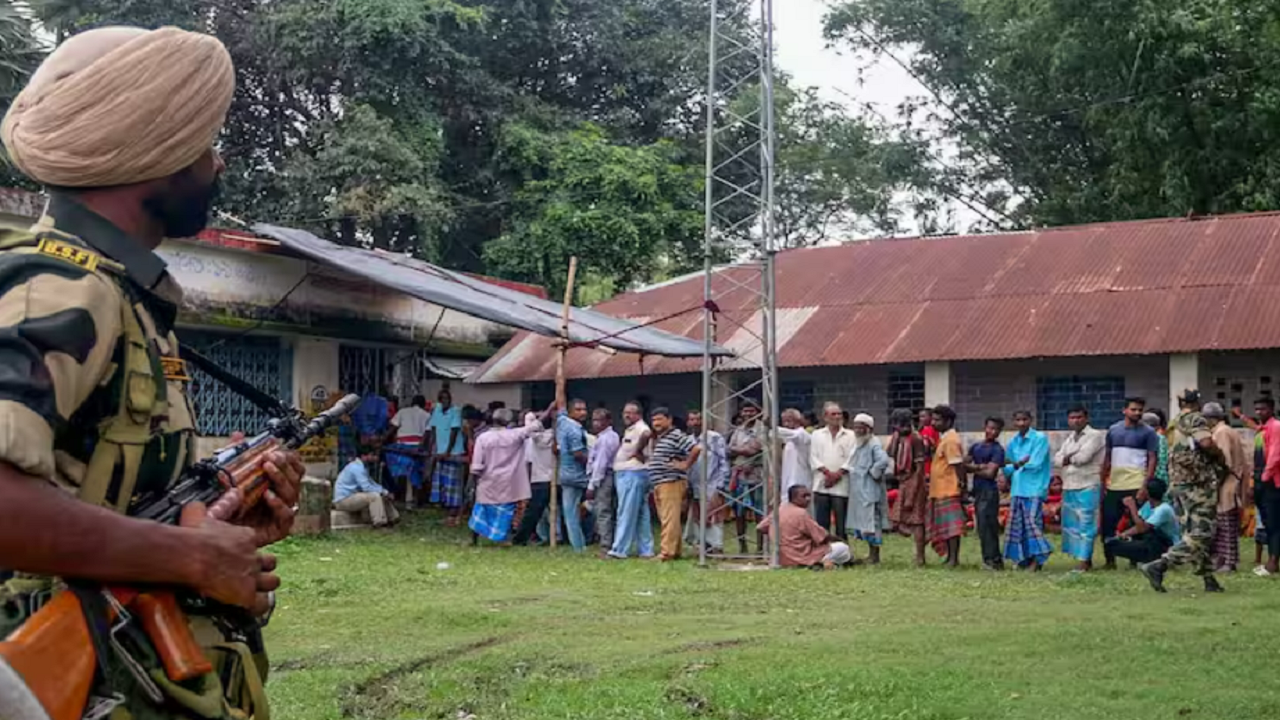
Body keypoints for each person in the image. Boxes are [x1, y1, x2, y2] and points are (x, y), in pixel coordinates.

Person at [0, 26, 305, 718]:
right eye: (201, 146)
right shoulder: (59, 285)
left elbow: (101, 509)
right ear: (158, 155)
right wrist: (189, 558)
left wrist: (220, 535)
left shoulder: (125, 300)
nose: (215, 163)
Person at [1140, 409, 1229, 593]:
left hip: (1179, 486)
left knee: (1191, 532)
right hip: (1197, 486)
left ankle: (1208, 579)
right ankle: (1159, 565)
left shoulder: (1174, 423)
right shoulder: (1195, 419)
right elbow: (1206, 442)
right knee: (1202, 533)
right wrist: (1219, 457)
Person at [468, 408, 543, 545]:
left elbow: (477, 465)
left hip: (487, 481)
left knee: (480, 511)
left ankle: (474, 540)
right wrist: (546, 410)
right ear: (509, 422)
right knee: (504, 513)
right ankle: (503, 539)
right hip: (508, 482)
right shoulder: (515, 435)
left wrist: (475, 483)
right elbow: (536, 425)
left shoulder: (483, 438)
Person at [1101, 397, 1160, 569]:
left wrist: (1144, 486)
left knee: (1137, 523)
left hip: (1136, 482)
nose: (1137, 413)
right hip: (1115, 484)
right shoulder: (1113, 430)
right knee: (1108, 523)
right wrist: (1103, 480)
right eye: (1133, 409)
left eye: (1140, 410)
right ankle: (1109, 560)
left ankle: (1135, 560)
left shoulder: (1148, 432)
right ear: (1124, 410)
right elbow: (1107, 457)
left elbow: (1152, 459)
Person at [1055, 406, 1105, 571]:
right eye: (1072, 418)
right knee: (1073, 525)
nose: (1075, 420)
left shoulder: (1095, 435)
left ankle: (1083, 564)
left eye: (1079, 417)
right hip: (1070, 485)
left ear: (1086, 418)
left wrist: (1067, 458)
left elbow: (1083, 457)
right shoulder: (1070, 438)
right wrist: (1068, 457)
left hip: (1087, 485)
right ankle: (1085, 559)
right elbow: (1056, 459)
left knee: (1087, 524)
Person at [1002, 410, 1053, 570]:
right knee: (1019, 527)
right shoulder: (1013, 442)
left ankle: (1039, 558)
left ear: (1031, 420)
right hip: (1017, 489)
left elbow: (1035, 463)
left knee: (1032, 524)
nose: (1021, 423)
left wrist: (1017, 465)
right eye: (1018, 420)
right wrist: (1018, 464)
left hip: (1034, 488)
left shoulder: (1039, 439)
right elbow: (1007, 467)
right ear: (1014, 422)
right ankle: (1024, 560)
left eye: (1024, 419)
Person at [648, 408, 701, 561]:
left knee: (669, 519)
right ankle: (675, 550)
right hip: (660, 482)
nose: (656, 423)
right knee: (668, 518)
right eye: (654, 420)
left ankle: (666, 552)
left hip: (671, 481)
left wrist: (685, 464)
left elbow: (696, 448)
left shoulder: (676, 435)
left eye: (659, 419)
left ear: (669, 420)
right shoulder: (660, 437)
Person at [757, 486, 852, 569]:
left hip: (781, 557)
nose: (808, 499)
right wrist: (840, 540)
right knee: (843, 548)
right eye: (804, 496)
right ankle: (821, 562)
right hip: (802, 555)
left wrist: (779, 535)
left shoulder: (779, 509)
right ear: (793, 498)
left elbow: (760, 528)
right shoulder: (801, 513)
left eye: (809, 495)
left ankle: (823, 562)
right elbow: (823, 537)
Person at [1204, 402, 1250, 573]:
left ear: (1212, 418)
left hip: (1227, 483)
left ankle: (1229, 562)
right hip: (1231, 481)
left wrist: (1214, 482)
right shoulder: (1225, 430)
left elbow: (1223, 462)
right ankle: (1223, 560)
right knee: (1223, 523)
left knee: (1226, 525)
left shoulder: (1222, 432)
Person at [609, 402, 655, 559]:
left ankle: (619, 549)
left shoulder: (641, 428)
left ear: (639, 415)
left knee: (626, 512)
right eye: (625, 412)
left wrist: (638, 450)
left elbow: (648, 434)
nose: (627, 415)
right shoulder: (632, 429)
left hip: (632, 472)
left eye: (631, 413)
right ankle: (646, 549)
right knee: (641, 513)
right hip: (632, 472)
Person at [843, 413, 891, 564]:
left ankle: (874, 556)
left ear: (868, 428)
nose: (857, 430)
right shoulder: (858, 443)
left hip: (870, 490)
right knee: (864, 522)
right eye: (855, 427)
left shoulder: (873, 442)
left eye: (860, 427)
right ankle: (870, 554)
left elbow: (883, 460)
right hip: (860, 490)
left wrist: (873, 473)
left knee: (872, 522)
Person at [887, 409, 930, 565]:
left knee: (917, 520)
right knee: (897, 519)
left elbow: (920, 469)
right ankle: (919, 542)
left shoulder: (916, 439)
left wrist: (913, 492)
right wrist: (895, 438)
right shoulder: (900, 437)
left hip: (914, 480)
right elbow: (890, 453)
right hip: (903, 480)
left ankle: (920, 556)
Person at [810, 402, 857, 540]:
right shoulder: (817, 434)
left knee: (841, 523)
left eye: (839, 414)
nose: (837, 417)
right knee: (822, 522)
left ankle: (843, 552)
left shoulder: (850, 435)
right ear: (825, 417)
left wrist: (837, 475)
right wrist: (827, 473)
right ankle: (823, 552)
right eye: (833, 414)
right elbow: (813, 457)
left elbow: (852, 457)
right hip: (821, 483)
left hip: (842, 484)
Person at [1106, 480, 1180, 565]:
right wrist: (1123, 535)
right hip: (1151, 542)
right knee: (1112, 544)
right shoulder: (1148, 505)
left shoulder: (1164, 509)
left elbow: (1142, 528)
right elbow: (1137, 526)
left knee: (1147, 532)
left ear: (1147, 493)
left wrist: (1132, 507)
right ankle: (1138, 560)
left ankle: (1158, 560)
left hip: (1165, 544)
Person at [967, 417, 1007, 571]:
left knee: (988, 525)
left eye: (996, 429)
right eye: (990, 428)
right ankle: (988, 558)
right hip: (978, 490)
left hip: (989, 491)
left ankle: (994, 560)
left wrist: (974, 468)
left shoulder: (998, 450)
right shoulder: (976, 446)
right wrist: (980, 467)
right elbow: (963, 464)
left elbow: (991, 473)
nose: (992, 432)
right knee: (982, 527)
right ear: (985, 427)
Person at [929, 405, 967, 567]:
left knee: (952, 527)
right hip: (940, 489)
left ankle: (953, 559)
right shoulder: (944, 438)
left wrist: (962, 485)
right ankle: (949, 557)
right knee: (946, 526)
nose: (933, 423)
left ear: (948, 421)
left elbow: (957, 464)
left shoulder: (951, 440)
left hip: (949, 488)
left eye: (937, 420)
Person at [686, 409, 729, 553]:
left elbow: (723, 461)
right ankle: (702, 545)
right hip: (695, 483)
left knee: (713, 514)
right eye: (692, 420)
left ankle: (716, 545)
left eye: (698, 419)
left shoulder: (715, 438)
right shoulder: (688, 440)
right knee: (698, 515)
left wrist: (721, 485)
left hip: (713, 481)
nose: (695, 423)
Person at [513, 413, 557, 545]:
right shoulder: (557, 437)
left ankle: (521, 538)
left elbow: (529, 425)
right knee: (554, 511)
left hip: (539, 478)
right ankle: (554, 535)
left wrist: (542, 414)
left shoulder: (536, 438)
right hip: (555, 478)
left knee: (533, 512)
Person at [554, 397, 591, 551]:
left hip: (565, 474)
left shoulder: (562, 421)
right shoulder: (575, 430)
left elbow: (560, 407)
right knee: (601, 503)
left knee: (570, 512)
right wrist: (593, 463)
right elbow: (578, 454)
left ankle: (578, 545)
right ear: (570, 412)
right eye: (578, 410)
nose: (583, 412)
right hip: (579, 475)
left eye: (584, 409)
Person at [728, 404, 765, 553]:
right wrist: (744, 450)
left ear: (758, 412)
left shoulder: (762, 429)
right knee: (739, 512)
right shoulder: (738, 429)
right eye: (745, 410)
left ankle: (760, 547)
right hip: (740, 475)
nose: (748, 414)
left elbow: (756, 450)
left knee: (759, 512)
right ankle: (742, 546)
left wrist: (741, 451)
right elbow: (729, 450)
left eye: (752, 411)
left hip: (757, 474)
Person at [427, 388, 467, 524]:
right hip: (439, 452)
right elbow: (432, 430)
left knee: (454, 484)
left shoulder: (455, 411)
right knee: (442, 483)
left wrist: (447, 452)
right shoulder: (436, 411)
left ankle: (453, 514)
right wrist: (431, 448)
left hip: (454, 452)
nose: (445, 401)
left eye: (447, 398)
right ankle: (448, 513)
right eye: (442, 398)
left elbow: (454, 431)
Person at [334, 447, 400, 528]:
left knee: (381, 494)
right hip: (343, 500)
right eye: (372, 455)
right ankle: (380, 523)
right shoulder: (356, 468)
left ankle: (393, 518)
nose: (375, 458)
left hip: (352, 496)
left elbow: (371, 483)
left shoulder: (363, 467)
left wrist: (385, 492)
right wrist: (383, 492)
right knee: (374, 496)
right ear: (363, 456)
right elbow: (366, 487)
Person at [587, 408, 621, 556]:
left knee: (603, 511)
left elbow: (600, 464)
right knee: (608, 510)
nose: (596, 423)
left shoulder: (605, 439)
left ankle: (605, 545)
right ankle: (609, 541)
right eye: (594, 420)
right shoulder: (610, 436)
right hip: (609, 475)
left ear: (608, 421)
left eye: (599, 420)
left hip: (604, 476)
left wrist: (592, 485)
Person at [385, 394, 430, 499]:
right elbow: (427, 433)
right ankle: (415, 496)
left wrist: (382, 439)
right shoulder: (427, 415)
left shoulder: (402, 412)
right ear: (423, 405)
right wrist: (420, 447)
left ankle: (396, 491)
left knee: (390, 464)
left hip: (401, 447)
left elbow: (392, 428)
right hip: (417, 448)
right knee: (416, 470)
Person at [1255, 396, 1280, 575]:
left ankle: (1272, 563)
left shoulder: (1276, 427)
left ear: (1271, 410)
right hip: (1262, 482)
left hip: (1272, 482)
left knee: (1274, 524)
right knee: (1268, 523)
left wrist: (1264, 477)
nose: (1258, 412)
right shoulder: (1262, 430)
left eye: (1262, 409)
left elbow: (1275, 455)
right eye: (1256, 409)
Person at [776, 408, 814, 495]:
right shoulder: (787, 439)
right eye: (784, 421)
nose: (786, 424)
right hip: (787, 480)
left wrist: (773, 427)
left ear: (798, 421)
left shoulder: (803, 435)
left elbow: (793, 435)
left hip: (800, 479)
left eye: (789, 421)